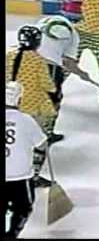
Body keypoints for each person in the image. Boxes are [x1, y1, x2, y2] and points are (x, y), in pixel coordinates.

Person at [6, 25, 58, 188]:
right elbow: (47, 85)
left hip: (9, 103)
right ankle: (35, 173)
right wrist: (53, 88)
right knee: (42, 134)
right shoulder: (38, 60)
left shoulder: (9, 55)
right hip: (32, 104)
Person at [36, 14, 87, 144]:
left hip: (25, 61)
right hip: (49, 67)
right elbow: (69, 64)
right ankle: (45, 135)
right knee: (52, 101)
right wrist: (81, 73)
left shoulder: (45, 20)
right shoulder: (74, 34)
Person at [5, 81, 48, 238]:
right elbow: (42, 145)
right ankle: (12, 234)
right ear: (20, 100)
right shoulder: (26, 120)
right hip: (20, 176)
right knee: (23, 208)